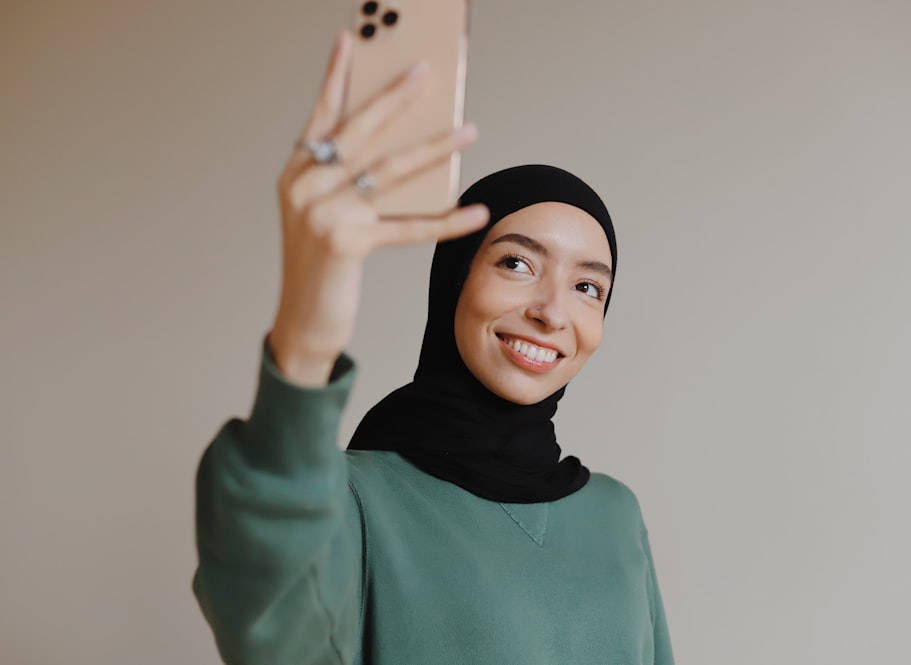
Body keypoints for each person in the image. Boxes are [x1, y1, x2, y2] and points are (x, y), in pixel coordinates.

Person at [193, 31, 674, 665]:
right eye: (517, 264)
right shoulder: (350, 500)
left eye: (588, 286)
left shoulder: (615, 516)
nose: (553, 312)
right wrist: (309, 329)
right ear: (454, 279)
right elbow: (265, 620)